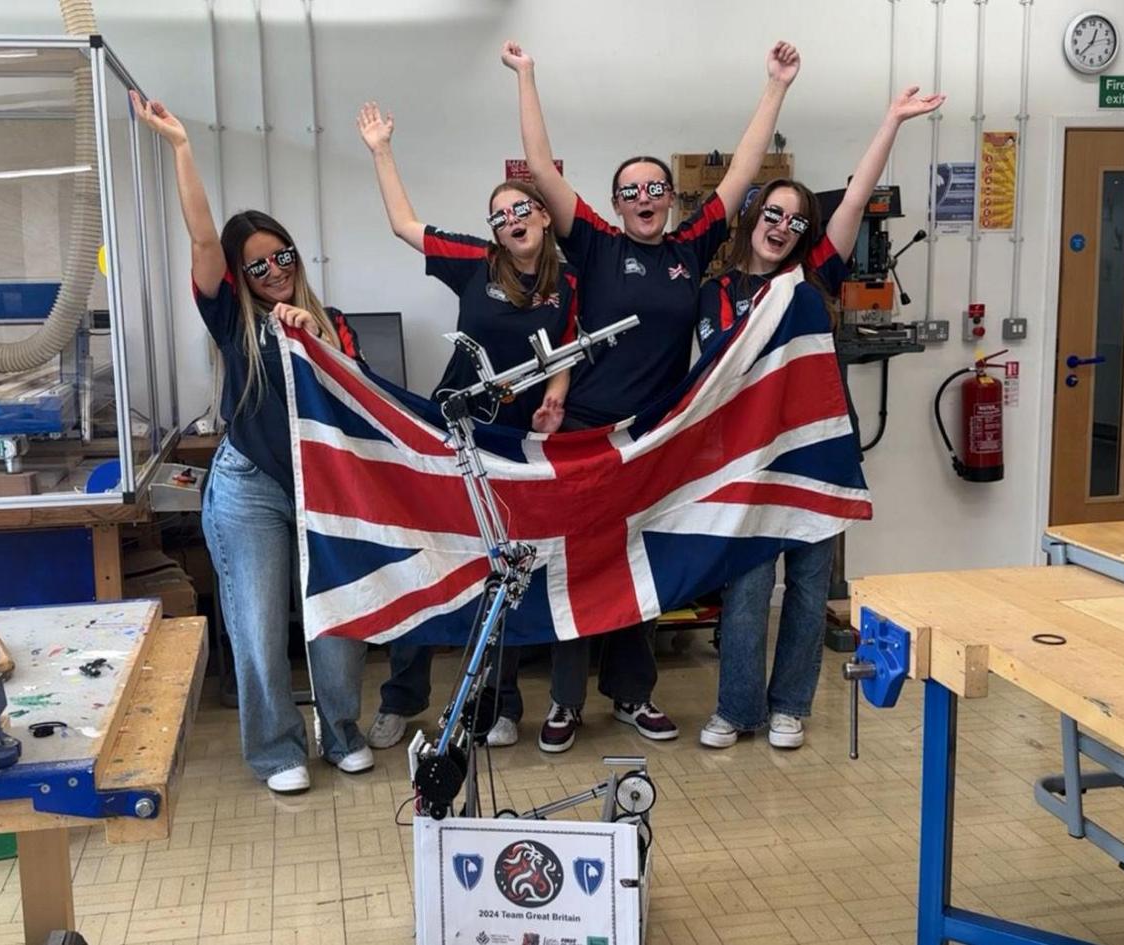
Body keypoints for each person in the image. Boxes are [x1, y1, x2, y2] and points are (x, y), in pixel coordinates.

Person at [502, 39, 802, 752]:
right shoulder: (598, 245)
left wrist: (775, 87)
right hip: (582, 437)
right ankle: (567, 703)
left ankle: (633, 695)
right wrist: (527, 75)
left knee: (638, 565)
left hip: (655, 439)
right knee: (575, 569)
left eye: (656, 188)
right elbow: (541, 169)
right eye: (631, 190)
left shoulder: (690, 247)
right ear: (614, 203)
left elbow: (744, 172)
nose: (644, 198)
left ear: (671, 199)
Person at [692, 85, 945, 750]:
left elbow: (857, 196)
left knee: (808, 585)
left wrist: (890, 117)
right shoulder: (715, 291)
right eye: (773, 214)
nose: (783, 227)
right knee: (745, 589)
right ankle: (736, 707)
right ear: (751, 217)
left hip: (816, 454)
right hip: (746, 459)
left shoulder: (813, 278)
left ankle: (789, 706)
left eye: (797, 221)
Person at [133, 91, 372, 794]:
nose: (273, 272)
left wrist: (313, 338)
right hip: (251, 489)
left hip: (325, 486)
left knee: (339, 617)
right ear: (239, 277)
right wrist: (181, 146)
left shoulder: (332, 326)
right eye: (257, 266)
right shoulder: (232, 320)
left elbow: (360, 403)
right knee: (260, 624)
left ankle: (344, 731)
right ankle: (276, 750)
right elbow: (205, 240)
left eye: (282, 257)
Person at [354, 101, 580, 751]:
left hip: (516, 445)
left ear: (543, 215)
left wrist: (556, 397)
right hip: (451, 436)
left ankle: (497, 704)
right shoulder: (475, 262)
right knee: (430, 561)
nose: (512, 220)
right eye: (500, 214)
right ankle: (402, 697)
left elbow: (567, 348)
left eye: (522, 209)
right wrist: (381, 149)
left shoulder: (572, 280)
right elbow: (403, 224)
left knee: (501, 572)